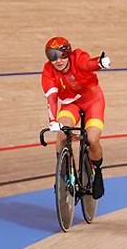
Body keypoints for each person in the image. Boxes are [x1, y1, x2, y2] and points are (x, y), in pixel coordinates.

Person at [41, 36, 111, 200]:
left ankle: (97, 172)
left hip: (92, 100)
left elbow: (88, 64)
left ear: (68, 54)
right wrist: (52, 121)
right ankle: (62, 174)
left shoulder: (78, 58)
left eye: (61, 56)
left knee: (92, 140)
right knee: (61, 132)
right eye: (52, 57)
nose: (57, 61)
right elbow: (51, 97)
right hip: (70, 104)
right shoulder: (48, 71)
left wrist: (99, 63)